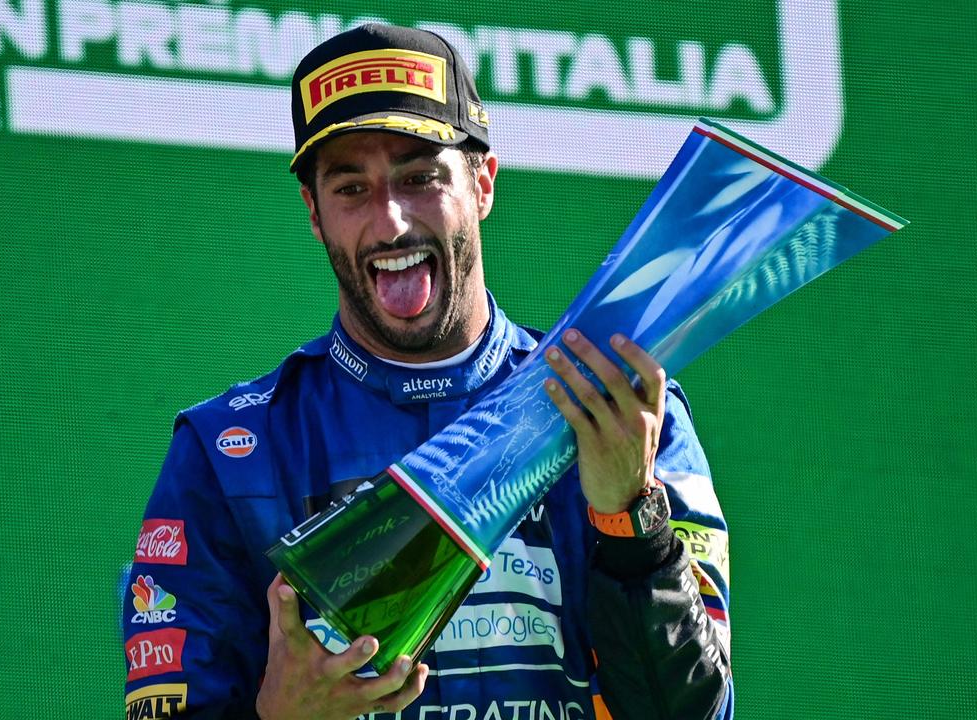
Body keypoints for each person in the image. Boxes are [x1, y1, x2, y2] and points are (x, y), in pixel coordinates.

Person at [123, 23, 733, 720]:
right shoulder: (230, 456)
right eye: (352, 188)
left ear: (483, 183)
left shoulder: (620, 411)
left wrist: (632, 522)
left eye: (420, 178)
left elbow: (695, 713)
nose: (390, 223)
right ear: (314, 214)